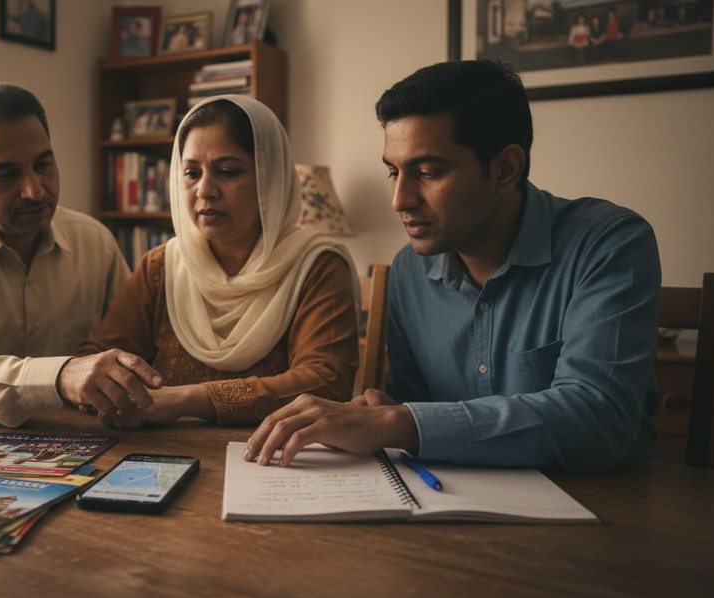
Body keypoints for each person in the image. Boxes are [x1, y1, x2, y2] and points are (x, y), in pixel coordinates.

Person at [244, 60, 661, 472]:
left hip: (604, 510)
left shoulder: (610, 244)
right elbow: (412, 408)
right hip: (454, 508)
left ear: (505, 169)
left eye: (428, 172)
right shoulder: (409, 270)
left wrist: (399, 421)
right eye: (393, 172)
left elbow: (598, 418)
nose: (400, 200)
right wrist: (384, 412)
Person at [78, 95, 361, 428]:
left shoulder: (316, 266)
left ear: (270, 178)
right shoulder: (161, 267)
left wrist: (187, 399)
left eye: (227, 171)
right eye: (191, 172)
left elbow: (326, 381)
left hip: (273, 462)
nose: (205, 190)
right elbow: (94, 361)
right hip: (162, 457)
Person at [0, 83, 162, 427]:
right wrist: (59, 377)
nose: (35, 190)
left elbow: (135, 348)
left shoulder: (96, 242)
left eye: (44, 164)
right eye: (5, 175)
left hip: (90, 445)